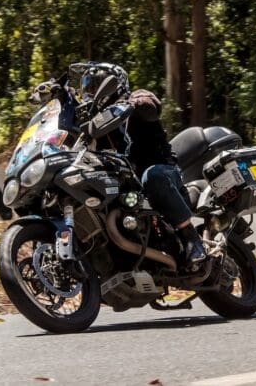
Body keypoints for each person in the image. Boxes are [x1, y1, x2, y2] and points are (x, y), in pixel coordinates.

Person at [75, 62, 206, 267]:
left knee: (152, 176)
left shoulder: (133, 101)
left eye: (97, 86)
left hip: (163, 171)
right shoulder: (98, 128)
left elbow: (151, 107)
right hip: (130, 185)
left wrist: (133, 103)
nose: (92, 93)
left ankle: (191, 238)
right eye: (89, 88)